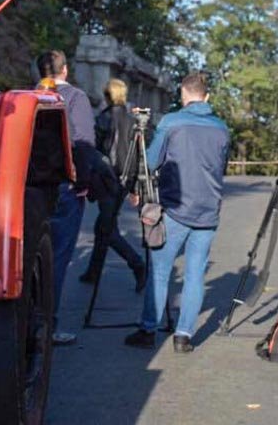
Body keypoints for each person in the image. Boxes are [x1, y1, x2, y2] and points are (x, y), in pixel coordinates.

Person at [124, 72, 230, 354]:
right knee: (196, 274)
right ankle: (183, 336)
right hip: (208, 210)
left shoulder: (172, 122)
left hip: (175, 208)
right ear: (206, 97)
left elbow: (151, 161)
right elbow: (222, 166)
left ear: (183, 95)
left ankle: (148, 329)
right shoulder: (221, 128)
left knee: (160, 272)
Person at [36, 49, 96, 347]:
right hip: (64, 186)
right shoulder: (75, 98)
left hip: (31, 188)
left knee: (31, 256)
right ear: (66, 71)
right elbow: (84, 142)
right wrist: (83, 182)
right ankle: (48, 325)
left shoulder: (28, 97)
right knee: (57, 259)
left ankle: (28, 319)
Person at [80, 78, 146, 290]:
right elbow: (138, 155)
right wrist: (135, 187)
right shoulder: (133, 121)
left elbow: (95, 153)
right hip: (125, 179)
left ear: (108, 96)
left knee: (107, 229)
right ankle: (93, 271)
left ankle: (137, 264)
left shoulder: (103, 118)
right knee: (104, 225)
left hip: (107, 179)